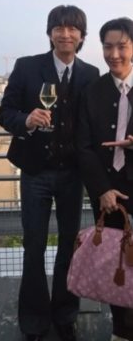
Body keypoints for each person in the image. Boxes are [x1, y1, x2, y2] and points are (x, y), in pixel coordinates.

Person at [0, 5, 99, 341]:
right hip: (35, 172)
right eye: (59, 28)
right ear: (50, 32)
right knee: (34, 246)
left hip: (72, 174)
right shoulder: (27, 67)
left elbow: (95, 123)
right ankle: (34, 320)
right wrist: (26, 120)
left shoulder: (90, 74)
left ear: (81, 36)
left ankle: (65, 314)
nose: (65, 34)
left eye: (72, 29)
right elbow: (5, 112)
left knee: (69, 245)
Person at [77, 17, 133, 341]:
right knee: (116, 261)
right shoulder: (93, 92)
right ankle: (121, 330)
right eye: (108, 47)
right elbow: (83, 147)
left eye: (122, 46)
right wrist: (102, 189)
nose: (114, 54)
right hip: (108, 190)